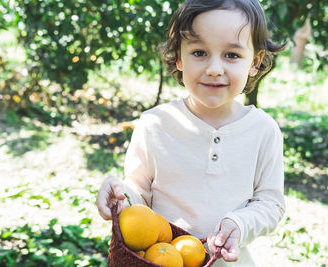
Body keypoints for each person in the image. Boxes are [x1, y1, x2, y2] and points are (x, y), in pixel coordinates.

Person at [97, 0, 286, 265]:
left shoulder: (263, 131)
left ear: (254, 62)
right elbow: (138, 192)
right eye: (199, 52)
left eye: (232, 55)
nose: (214, 69)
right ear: (178, 57)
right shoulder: (155, 124)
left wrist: (239, 223)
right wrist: (120, 195)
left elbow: (271, 203)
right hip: (162, 258)